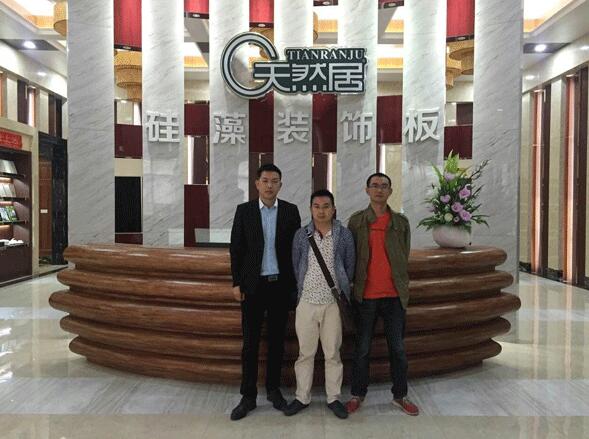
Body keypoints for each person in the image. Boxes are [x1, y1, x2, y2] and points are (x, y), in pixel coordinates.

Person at [229, 163, 301, 421]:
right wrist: (236, 283)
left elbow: (296, 251)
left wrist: (295, 285)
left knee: (277, 342)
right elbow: (236, 249)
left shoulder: (291, 211)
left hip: (280, 286)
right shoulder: (245, 211)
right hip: (253, 287)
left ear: (281, 184)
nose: (270, 185)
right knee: (250, 344)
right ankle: (248, 396)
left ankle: (273, 390)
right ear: (257, 184)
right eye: (266, 181)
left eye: (275, 181)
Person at [345, 173, 419, 416]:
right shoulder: (356, 221)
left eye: (384, 186)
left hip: (394, 296)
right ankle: (357, 395)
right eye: (374, 186)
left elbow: (404, 255)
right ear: (367, 190)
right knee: (362, 349)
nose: (379, 190)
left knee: (397, 349)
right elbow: (350, 256)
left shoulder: (400, 222)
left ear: (390, 191)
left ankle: (400, 395)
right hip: (365, 296)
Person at [284, 189, 355, 419]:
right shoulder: (301, 235)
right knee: (305, 353)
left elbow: (349, 266)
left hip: (333, 303)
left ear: (333, 209)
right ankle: (302, 397)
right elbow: (296, 265)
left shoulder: (344, 235)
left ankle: (333, 398)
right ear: (310, 209)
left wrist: (341, 289)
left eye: (326, 206)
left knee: (333, 353)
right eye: (316, 206)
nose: (321, 211)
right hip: (306, 302)